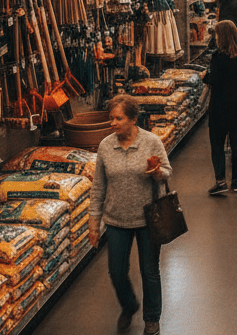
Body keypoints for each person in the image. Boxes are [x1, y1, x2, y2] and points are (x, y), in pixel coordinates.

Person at [88, 95, 172, 335]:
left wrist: (157, 172)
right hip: (116, 220)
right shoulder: (105, 145)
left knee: (150, 271)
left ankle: (152, 319)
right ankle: (129, 305)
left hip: (148, 218)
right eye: (111, 118)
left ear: (133, 119)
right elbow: (98, 187)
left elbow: (167, 171)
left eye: (118, 118)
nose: (113, 123)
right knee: (116, 271)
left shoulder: (152, 142)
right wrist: (94, 223)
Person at [203, 20, 237, 195]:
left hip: (220, 108)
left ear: (222, 37)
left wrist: (205, 77)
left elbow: (214, 81)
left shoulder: (218, 57)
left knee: (217, 145)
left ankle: (220, 181)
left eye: (217, 35)